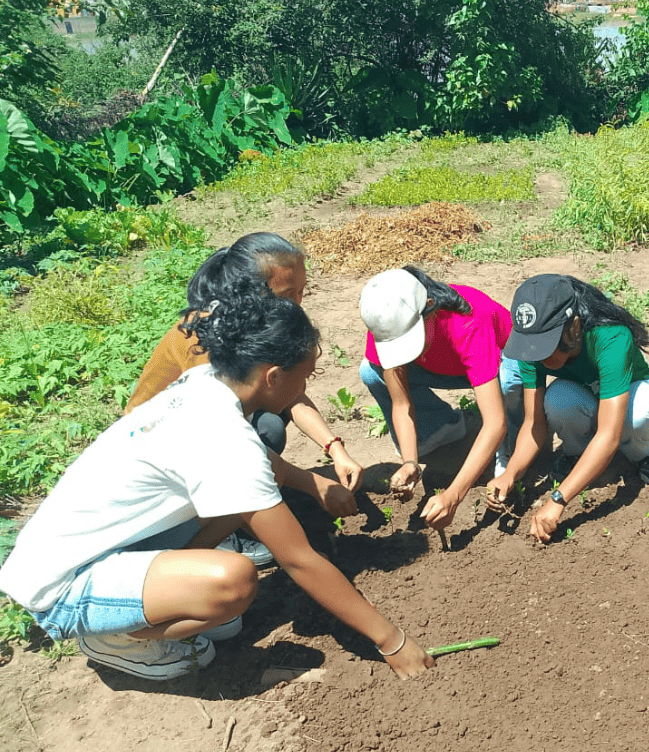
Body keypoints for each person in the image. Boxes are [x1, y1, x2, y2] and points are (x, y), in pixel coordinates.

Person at [0, 282, 434, 681]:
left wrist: (314, 484)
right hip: (63, 586)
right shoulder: (224, 437)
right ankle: (117, 637)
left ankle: (152, 603)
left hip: (87, 547)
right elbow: (299, 559)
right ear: (274, 377)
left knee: (225, 613)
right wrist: (391, 640)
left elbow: (263, 464)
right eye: (306, 376)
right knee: (235, 581)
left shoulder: (207, 382)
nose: (306, 386)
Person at [127, 233, 363, 564]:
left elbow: (293, 393)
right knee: (264, 431)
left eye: (301, 292)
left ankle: (241, 509)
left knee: (268, 419)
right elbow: (227, 441)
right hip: (163, 448)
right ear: (247, 294)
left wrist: (335, 449)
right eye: (285, 295)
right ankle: (221, 527)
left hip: (206, 432)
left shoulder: (258, 325)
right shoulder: (209, 340)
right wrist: (315, 485)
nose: (297, 304)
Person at [486, 274, 649, 543]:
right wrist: (510, 474)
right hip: (587, 393)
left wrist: (558, 500)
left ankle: (643, 455)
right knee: (558, 400)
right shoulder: (533, 347)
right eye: (533, 347)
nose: (539, 355)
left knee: (638, 415)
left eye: (547, 346)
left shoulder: (610, 337)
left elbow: (609, 435)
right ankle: (577, 455)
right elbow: (534, 424)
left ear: (574, 327)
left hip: (632, 391)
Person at [358, 266, 518, 531]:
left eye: (410, 339)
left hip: (500, 361)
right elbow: (401, 403)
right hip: (445, 367)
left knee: (511, 382)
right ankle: (441, 429)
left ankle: (511, 447)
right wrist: (410, 462)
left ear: (430, 308)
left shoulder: (468, 320)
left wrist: (453, 495)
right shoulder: (387, 321)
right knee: (371, 371)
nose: (404, 352)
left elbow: (494, 422)